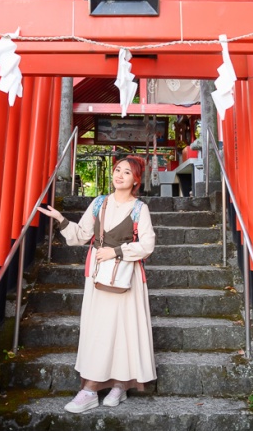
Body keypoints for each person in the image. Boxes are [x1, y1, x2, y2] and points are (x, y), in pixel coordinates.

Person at [36, 155, 156, 413]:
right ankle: (90, 389)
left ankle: (120, 384)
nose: (119, 175)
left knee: (124, 331)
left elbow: (147, 245)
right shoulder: (99, 202)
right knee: (98, 330)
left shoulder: (139, 209)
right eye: (117, 170)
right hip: (99, 277)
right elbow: (81, 235)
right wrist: (60, 219)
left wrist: (116, 252)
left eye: (126, 172)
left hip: (126, 278)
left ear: (136, 180)